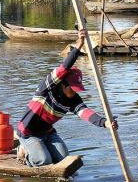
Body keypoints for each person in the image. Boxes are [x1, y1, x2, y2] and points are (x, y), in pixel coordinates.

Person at [16, 29, 118, 167]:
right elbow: (64, 67)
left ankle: (42, 148)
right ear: (63, 84)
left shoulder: (73, 100)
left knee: (63, 159)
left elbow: (86, 113)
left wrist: (105, 123)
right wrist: (79, 46)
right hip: (28, 133)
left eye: (77, 89)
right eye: (72, 88)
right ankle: (23, 151)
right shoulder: (47, 88)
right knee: (43, 161)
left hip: (48, 133)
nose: (74, 92)